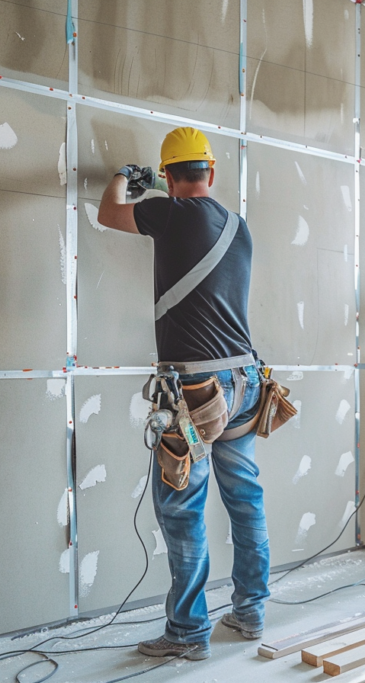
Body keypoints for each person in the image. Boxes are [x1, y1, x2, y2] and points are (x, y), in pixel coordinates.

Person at [97, 127, 269, 661]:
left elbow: (109, 212)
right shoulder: (239, 227)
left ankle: (188, 633)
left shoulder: (168, 213)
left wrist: (126, 176)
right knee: (245, 499)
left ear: (168, 178)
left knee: (181, 509)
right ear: (211, 173)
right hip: (245, 382)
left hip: (195, 391)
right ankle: (250, 610)